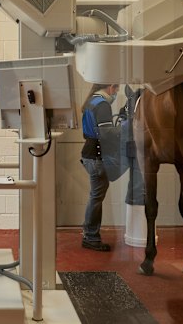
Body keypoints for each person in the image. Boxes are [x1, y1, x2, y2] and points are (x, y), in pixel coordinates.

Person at [80, 83, 120, 252]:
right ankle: (91, 237)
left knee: (95, 196)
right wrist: (125, 126)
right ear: (111, 87)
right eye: (116, 89)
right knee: (96, 197)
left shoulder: (91, 101)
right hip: (96, 156)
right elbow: (107, 133)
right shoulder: (103, 105)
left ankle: (88, 232)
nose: (117, 92)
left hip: (89, 154)